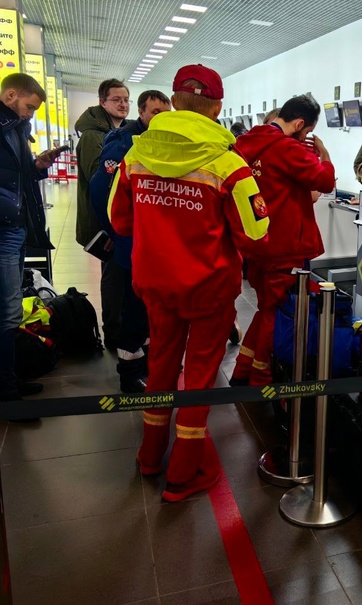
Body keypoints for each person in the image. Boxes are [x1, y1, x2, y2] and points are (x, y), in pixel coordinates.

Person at [109, 64, 269, 502]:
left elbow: (119, 220)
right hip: (209, 290)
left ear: (175, 102)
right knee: (198, 376)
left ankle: (149, 458)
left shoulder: (134, 157)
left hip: (156, 284)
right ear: (217, 107)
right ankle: (183, 473)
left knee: (160, 367)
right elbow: (256, 234)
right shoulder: (227, 163)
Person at [230, 95, 336, 387]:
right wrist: (324, 155)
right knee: (276, 313)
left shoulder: (245, 144)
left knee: (266, 309)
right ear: (300, 124)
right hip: (286, 246)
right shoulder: (287, 149)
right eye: (308, 132)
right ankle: (261, 378)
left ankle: (242, 369)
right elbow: (325, 182)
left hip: (256, 244)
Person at [89, 90, 171, 393]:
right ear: (142, 112)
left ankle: (147, 360)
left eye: (166, 112)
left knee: (150, 307)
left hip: (153, 242)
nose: (160, 118)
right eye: (155, 112)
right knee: (134, 307)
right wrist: (116, 231)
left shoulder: (161, 143)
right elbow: (101, 193)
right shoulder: (124, 143)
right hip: (131, 239)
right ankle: (129, 371)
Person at [0, 73, 61, 403]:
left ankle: (10, 379)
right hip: (5, 229)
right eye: (29, 107)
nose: (31, 114)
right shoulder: (5, 129)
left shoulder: (15, 131)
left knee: (9, 310)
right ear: (11, 96)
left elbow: (19, 177)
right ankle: (7, 389)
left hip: (17, 226)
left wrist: (38, 165)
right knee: (8, 311)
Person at [76, 78, 130, 350]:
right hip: (105, 222)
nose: (123, 104)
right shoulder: (93, 136)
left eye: (126, 100)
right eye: (116, 99)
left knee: (119, 276)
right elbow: (102, 181)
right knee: (114, 276)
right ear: (102, 102)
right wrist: (109, 227)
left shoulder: (116, 132)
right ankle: (113, 333)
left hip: (115, 219)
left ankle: (117, 327)